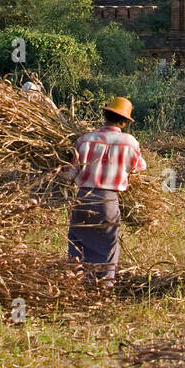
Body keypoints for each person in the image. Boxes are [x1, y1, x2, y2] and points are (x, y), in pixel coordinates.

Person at [65, 97, 146, 283]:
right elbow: (139, 167)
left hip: (83, 199)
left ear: (104, 115)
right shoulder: (129, 142)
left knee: (78, 241)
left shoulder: (84, 140)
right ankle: (103, 286)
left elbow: (70, 173)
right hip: (108, 200)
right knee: (107, 245)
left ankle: (77, 283)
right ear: (125, 122)